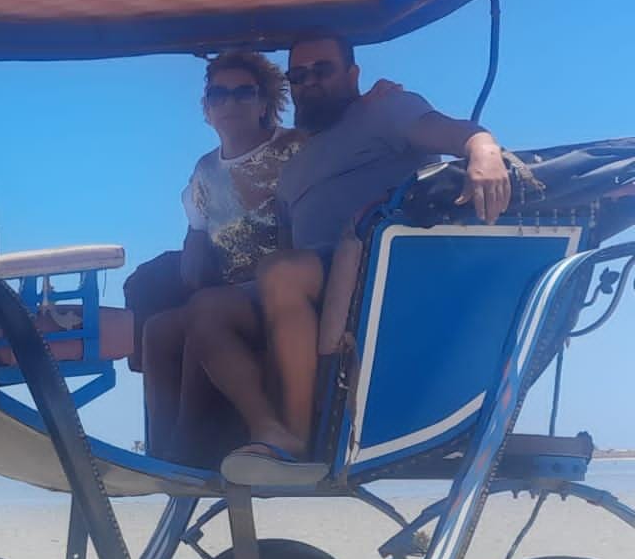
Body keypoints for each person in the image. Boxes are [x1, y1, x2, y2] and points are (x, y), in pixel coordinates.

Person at [183, 31, 513, 483]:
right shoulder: (296, 161)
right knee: (207, 308)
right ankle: (265, 426)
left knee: (282, 271)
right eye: (299, 75)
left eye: (324, 70)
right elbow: (280, 239)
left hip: (379, 273)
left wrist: (484, 150)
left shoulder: (385, 109)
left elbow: (454, 132)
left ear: (353, 74)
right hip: (312, 280)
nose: (310, 82)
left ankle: (296, 440)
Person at [140, 51, 303, 461]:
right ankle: (163, 455)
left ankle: (265, 429)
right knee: (158, 329)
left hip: (287, 289)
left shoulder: (295, 149)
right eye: (219, 94)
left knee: (205, 311)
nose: (230, 103)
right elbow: (196, 233)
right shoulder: (204, 170)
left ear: (264, 104)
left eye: (243, 93)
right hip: (233, 294)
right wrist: (192, 256)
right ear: (207, 109)